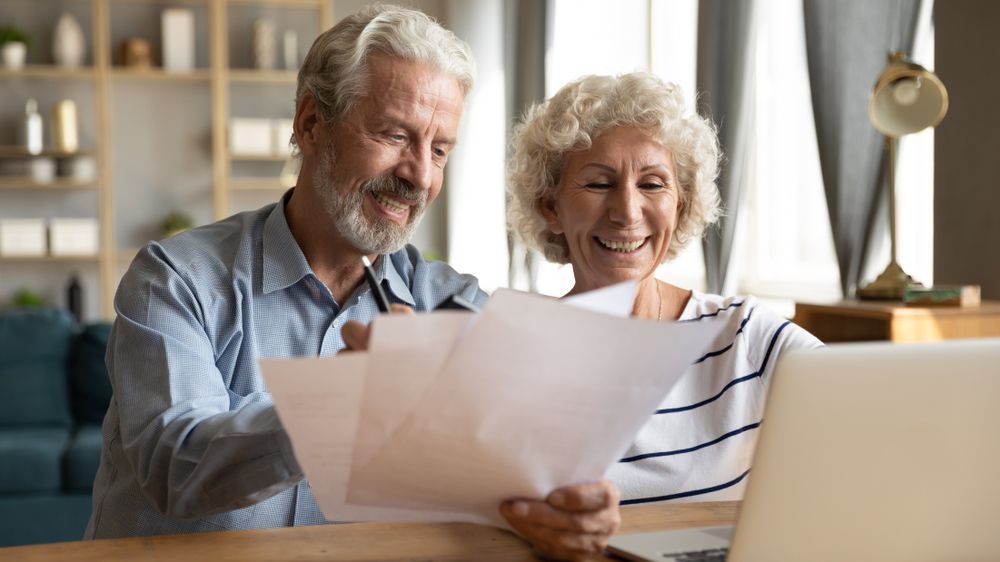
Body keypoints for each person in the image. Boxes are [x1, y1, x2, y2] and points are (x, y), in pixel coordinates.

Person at [85, 5, 488, 538]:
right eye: (394, 135)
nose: (419, 175)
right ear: (311, 123)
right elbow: (174, 466)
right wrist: (341, 400)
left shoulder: (451, 306)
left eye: (438, 150)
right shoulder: (176, 280)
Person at [500, 72, 822, 559]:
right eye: (598, 183)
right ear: (551, 207)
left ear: (682, 205)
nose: (627, 212)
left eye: (653, 184)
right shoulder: (507, 356)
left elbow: (869, 417)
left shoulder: (747, 337)